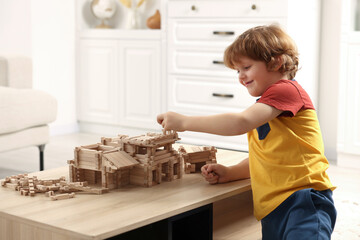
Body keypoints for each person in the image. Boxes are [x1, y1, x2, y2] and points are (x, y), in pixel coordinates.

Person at [157, 25, 337, 239]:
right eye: (237, 71)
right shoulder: (268, 107)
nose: (241, 76)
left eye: (246, 67)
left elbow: (239, 122)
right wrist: (231, 172)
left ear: (277, 61)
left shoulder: (286, 90)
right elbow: (265, 158)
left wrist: (185, 122)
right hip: (273, 208)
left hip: (304, 200)